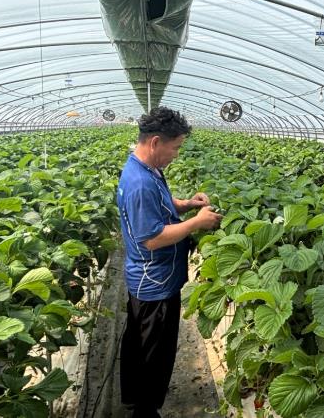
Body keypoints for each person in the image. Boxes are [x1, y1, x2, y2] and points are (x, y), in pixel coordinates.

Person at [117, 107, 221, 418]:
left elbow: (161, 204)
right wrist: (196, 223)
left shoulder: (145, 169)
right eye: (175, 148)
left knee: (137, 342)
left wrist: (187, 205)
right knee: (154, 354)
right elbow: (151, 238)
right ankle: (145, 411)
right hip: (155, 282)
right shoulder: (139, 183)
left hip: (147, 278)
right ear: (155, 142)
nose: (176, 154)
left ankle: (133, 397)